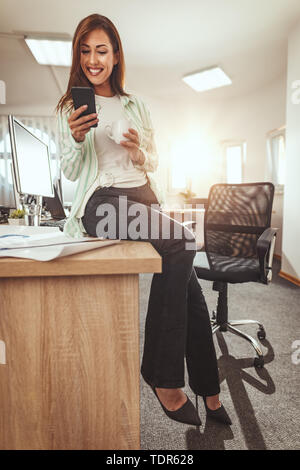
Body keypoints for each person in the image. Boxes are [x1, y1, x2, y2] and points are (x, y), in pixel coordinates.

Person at [56, 13, 231, 426]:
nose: (93, 59)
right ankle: (163, 378)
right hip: (102, 204)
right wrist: (78, 139)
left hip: (143, 197)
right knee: (185, 241)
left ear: (116, 55)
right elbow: (70, 170)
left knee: (191, 291)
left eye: (101, 50)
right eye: (85, 51)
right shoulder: (69, 107)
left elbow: (152, 160)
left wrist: (138, 153)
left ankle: (209, 391)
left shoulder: (137, 105)